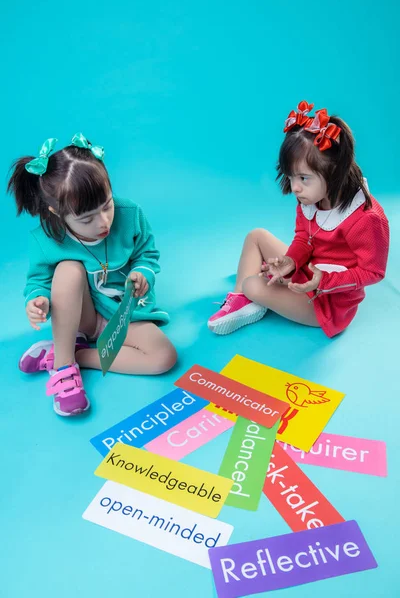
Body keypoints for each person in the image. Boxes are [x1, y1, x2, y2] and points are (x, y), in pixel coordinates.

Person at [8, 133, 177, 417]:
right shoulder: (46, 239)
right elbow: (38, 281)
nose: (103, 223)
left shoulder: (131, 214)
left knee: (165, 357)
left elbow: (147, 253)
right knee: (68, 269)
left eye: (107, 206)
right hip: (82, 317)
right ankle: (63, 368)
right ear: (57, 212)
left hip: (125, 316)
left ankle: (76, 356)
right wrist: (37, 300)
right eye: (86, 219)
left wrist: (142, 272)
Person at [208, 101, 389, 338]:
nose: (294, 187)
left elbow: (373, 272)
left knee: (252, 283)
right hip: (306, 273)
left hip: (326, 302)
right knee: (256, 236)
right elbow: (304, 238)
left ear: (334, 172)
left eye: (303, 178)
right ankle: (243, 300)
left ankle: (251, 293)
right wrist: (291, 261)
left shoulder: (366, 219)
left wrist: (323, 281)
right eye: (291, 177)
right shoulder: (311, 197)